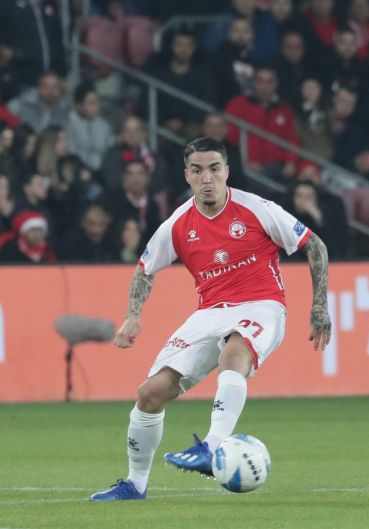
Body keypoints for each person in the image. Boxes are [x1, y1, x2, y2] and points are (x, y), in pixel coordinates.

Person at [90, 137, 331, 501]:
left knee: (234, 353)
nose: (207, 178)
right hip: (210, 312)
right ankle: (135, 484)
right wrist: (132, 316)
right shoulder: (177, 224)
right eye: (198, 170)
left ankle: (212, 446)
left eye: (214, 169)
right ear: (187, 175)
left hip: (261, 304)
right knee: (150, 393)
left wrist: (319, 307)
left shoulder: (256, 208)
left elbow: (314, 244)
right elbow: (144, 269)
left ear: (226, 171)